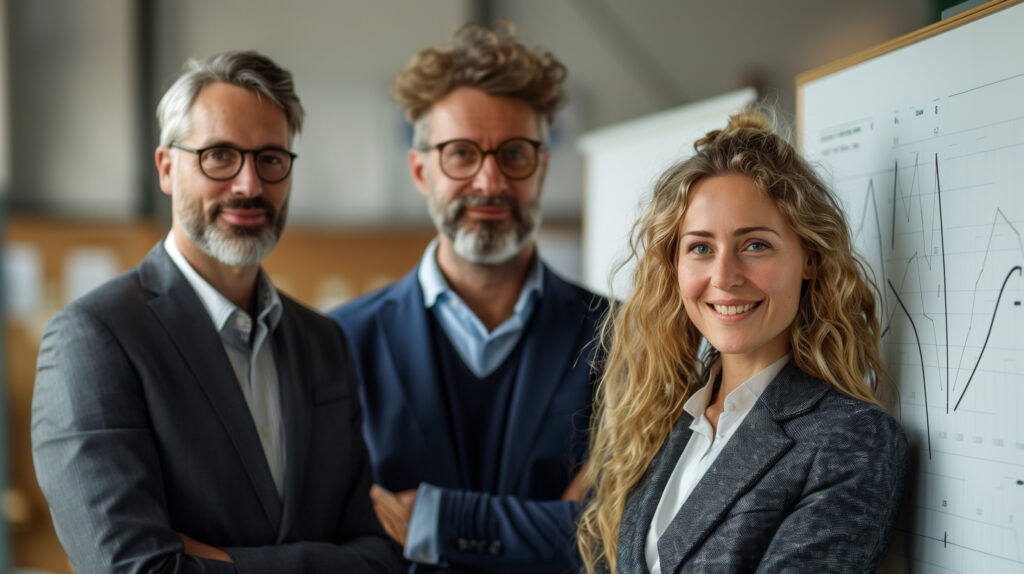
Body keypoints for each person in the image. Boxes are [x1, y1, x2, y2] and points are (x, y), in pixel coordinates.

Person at [31, 50, 404, 573]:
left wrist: (225, 563)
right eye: (220, 156)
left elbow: (380, 559)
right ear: (167, 167)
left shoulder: (323, 342)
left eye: (270, 158)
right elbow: (133, 569)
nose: (249, 185)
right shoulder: (95, 339)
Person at [576, 109, 908, 573]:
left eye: (755, 245)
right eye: (700, 248)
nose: (724, 277)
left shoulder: (849, 439)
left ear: (809, 258)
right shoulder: (659, 421)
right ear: (674, 266)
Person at [328, 22, 606, 573]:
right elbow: (336, 533)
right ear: (420, 169)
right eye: (460, 154)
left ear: (543, 166)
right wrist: (544, 526)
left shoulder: (621, 337)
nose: (489, 181)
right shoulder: (336, 343)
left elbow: (608, 533)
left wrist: (431, 519)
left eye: (515, 154)